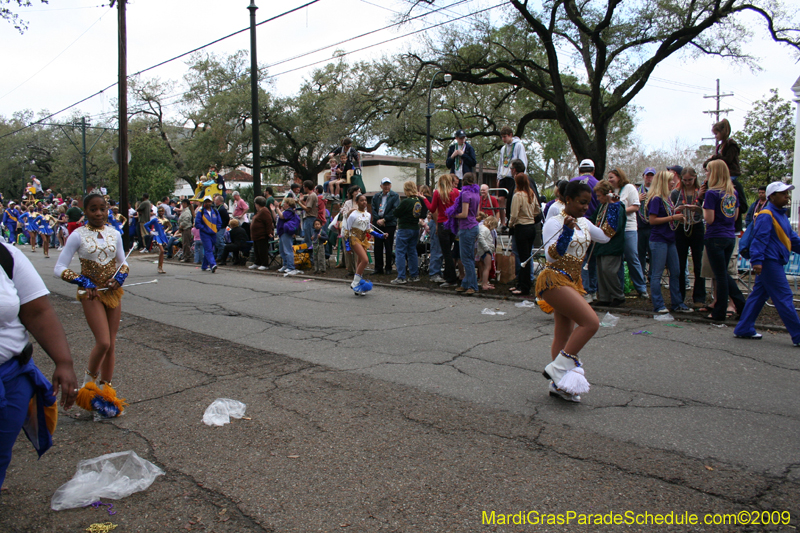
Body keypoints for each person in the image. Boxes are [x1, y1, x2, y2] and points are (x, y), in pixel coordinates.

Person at [0, 241, 78, 488]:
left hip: (12, 375)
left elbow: (37, 311)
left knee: (1, 453)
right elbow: (60, 268)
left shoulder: (6, 255)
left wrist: (63, 362)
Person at [54, 193, 129, 418]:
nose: (98, 213)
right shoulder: (77, 236)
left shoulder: (115, 234)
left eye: (102, 209)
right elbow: (59, 268)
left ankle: (106, 394)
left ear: (108, 210)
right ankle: (88, 389)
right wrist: (82, 281)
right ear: (85, 211)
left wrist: (120, 277)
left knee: (112, 344)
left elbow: (123, 263)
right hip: (91, 294)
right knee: (103, 342)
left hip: (112, 292)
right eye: (93, 209)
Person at [536, 180, 611, 403]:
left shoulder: (585, 222)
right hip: (553, 281)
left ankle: (559, 384)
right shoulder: (554, 221)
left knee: (563, 334)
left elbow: (606, 236)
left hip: (571, 282)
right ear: (568, 199)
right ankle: (558, 368)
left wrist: (613, 205)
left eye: (588, 204)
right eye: (581, 203)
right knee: (591, 323)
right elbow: (552, 256)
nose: (585, 208)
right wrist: (567, 232)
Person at [734, 182, 800, 345]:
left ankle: (744, 328)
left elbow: (792, 239)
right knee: (784, 296)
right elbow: (759, 239)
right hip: (769, 262)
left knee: (759, 295)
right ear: (772, 197)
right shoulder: (766, 214)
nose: (787, 196)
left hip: (771, 261)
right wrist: (757, 261)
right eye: (783, 193)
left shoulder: (780, 215)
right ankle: (798, 335)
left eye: (787, 193)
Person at [701, 160, 746, 321]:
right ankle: (741, 305)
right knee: (723, 274)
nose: (706, 173)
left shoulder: (712, 194)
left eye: (708, 171)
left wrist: (703, 210)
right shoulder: (732, 193)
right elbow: (735, 216)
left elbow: (710, 219)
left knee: (720, 275)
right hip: (729, 236)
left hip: (715, 236)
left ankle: (720, 311)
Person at [646, 171, 692, 313]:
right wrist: (673, 217)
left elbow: (666, 213)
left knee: (676, 271)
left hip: (670, 239)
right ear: (664, 182)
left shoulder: (667, 198)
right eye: (671, 181)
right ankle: (658, 304)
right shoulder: (656, 199)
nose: (673, 183)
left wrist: (676, 211)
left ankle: (677, 303)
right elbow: (652, 220)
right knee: (657, 273)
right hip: (659, 240)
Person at [606, 168, 648, 298]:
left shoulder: (629, 188)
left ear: (619, 177)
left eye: (612, 177)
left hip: (629, 228)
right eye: (608, 178)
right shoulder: (611, 192)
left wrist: (619, 211)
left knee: (632, 257)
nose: (610, 180)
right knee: (617, 259)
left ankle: (641, 288)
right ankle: (620, 289)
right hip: (615, 230)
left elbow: (635, 206)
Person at [670, 167, 706, 307]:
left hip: (697, 227)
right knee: (680, 263)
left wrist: (700, 201)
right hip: (681, 228)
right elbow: (672, 209)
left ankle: (699, 298)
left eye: (690, 180)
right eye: (685, 180)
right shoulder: (676, 193)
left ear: (695, 178)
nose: (688, 182)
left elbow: (707, 210)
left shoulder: (701, 192)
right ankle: (680, 297)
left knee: (698, 263)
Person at [419, 174, 459, 287]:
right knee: (449, 251)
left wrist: (425, 199)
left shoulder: (438, 193)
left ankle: (450, 279)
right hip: (453, 223)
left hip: (442, 224)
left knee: (446, 252)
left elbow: (432, 208)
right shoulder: (455, 192)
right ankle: (450, 276)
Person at [591, 181, 626, 307]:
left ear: (607, 194)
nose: (598, 198)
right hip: (601, 244)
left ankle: (618, 295)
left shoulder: (617, 206)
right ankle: (604, 297)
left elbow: (616, 226)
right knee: (600, 271)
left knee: (609, 270)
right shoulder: (601, 207)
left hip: (612, 244)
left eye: (600, 196)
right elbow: (594, 219)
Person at [445, 172, 481, 295]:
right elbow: (477, 214)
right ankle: (466, 283)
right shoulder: (476, 194)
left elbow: (464, 214)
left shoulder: (465, 194)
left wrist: (452, 214)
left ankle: (472, 285)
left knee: (466, 259)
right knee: (469, 257)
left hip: (466, 228)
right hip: (474, 226)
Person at [344, 194, 384, 295]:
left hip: (363, 239)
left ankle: (358, 287)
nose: (364, 202)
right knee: (365, 260)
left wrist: (380, 236)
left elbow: (368, 229)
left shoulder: (368, 214)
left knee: (360, 262)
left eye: (365, 200)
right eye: (361, 200)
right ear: (357, 202)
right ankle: (355, 282)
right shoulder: (353, 215)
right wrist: (348, 245)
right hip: (354, 238)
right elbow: (347, 230)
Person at [571, 159, 599, 302]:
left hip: (577, 224)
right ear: (593, 170)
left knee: (580, 259)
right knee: (591, 259)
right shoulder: (597, 183)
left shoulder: (573, 183)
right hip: (593, 225)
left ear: (579, 169)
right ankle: (593, 290)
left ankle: (585, 290)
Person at [508, 173, 540, 296]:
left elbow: (514, 214)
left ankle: (523, 286)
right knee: (527, 256)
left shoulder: (518, 195)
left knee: (523, 258)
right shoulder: (531, 193)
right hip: (531, 226)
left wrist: (510, 225)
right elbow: (537, 210)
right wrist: (530, 214)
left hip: (521, 227)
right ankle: (522, 283)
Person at [496, 126, 528, 228]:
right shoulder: (503, 149)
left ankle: (511, 220)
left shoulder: (519, 146)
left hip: (513, 177)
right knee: (501, 199)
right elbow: (501, 163)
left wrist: (521, 176)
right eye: (502, 137)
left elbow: (522, 161)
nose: (503, 139)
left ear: (510, 135)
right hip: (503, 176)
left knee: (511, 199)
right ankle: (503, 222)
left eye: (505, 137)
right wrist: (498, 177)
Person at [391, 181, 423, 284]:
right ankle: (414, 274)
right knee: (412, 251)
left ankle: (401, 276)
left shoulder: (406, 201)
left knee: (400, 252)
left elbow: (396, 212)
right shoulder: (418, 201)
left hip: (404, 228)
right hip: (415, 228)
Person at [371, 178, 399, 275]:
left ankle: (388, 267)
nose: (386, 187)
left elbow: (395, 210)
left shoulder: (395, 196)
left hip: (389, 224)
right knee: (378, 246)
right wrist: (378, 219)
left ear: (390, 186)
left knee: (388, 246)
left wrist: (385, 219)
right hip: (378, 223)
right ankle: (378, 268)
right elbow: (373, 208)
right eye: (384, 185)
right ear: (381, 186)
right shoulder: (376, 196)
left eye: (388, 185)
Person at [637, 167, 656, 277]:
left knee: (653, 253)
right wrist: (637, 199)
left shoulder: (657, 191)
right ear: (644, 176)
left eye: (651, 175)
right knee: (641, 253)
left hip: (653, 227)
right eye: (647, 175)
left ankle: (652, 276)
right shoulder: (637, 191)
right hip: (640, 226)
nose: (649, 177)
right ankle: (641, 275)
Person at [195, 196, 220, 273]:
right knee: (209, 249)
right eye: (206, 202)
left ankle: (204, 265)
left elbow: (219, 222)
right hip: (205, 234)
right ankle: (212, 264)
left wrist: (217, 229)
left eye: (209, 202)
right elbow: (197, 223)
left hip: (213, 234)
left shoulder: (215, 211)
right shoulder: (200, 212)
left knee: (209, 249)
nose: (208, 203)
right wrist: (204, 229)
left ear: (211, 202)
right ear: (204, 203)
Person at [276, 197, 301, 275]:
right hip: (282, 232)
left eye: (285, 202)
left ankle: (290, 266)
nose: (284, 204)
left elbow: (282, 217)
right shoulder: (287, 211)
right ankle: (286, 264)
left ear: (288, 204)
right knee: (282, 250)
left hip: (285, 232)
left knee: (287, 250)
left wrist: (277, 208)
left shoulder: (288, 211)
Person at [249, 196, 275, 271]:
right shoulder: (260, 212)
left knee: (262, 250)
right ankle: (257, 262)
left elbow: (268, 222)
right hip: (256, 235)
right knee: (257, 249)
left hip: (262, 235)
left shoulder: (264, 211)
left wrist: (269, 232)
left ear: (257, 204)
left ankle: (264, 264)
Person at [144, 207, 171, 274]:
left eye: (162, 211)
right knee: (162, 251)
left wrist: (165, 231)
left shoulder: (165, 219)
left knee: (162, 252)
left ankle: (160, 266)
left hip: (163, 236)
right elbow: (146, 225)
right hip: (157, 236)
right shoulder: (155, 219)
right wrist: (151, 232)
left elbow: (170, 226)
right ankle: (159, 267)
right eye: (160, 211)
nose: (161, 213)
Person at [476, 215, 499, 291]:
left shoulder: (481, 228)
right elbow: (481, 238)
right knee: (487, 267)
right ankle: (485, 284)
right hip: (486, 251)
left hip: (482, 250)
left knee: (483, 266)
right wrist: (487, 248)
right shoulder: (485, 230)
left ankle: (484, 281)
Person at [298, 180, 319, 249]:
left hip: (310, 218)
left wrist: (299, 203)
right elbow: (308, 206)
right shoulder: (312, 195)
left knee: (309, 237)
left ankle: (311, 256)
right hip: (311, 217)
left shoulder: (311, 196)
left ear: (306, 187)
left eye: (304, 187)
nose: (303, 188)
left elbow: (307, 209)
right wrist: (302, 201)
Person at [213, 195, 230, 261]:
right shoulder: (217, 208)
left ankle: (222, 256)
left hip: (220, 228)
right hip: (217, 227)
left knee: (219, 242)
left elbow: (227, 218)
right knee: (216, 242)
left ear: (218, 201)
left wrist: (223, 225)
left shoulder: (222, 209)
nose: (214, 201)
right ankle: (218, 255)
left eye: (215, 200)